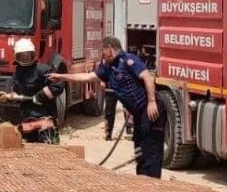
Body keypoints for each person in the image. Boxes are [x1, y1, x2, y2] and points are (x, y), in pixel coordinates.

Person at [52, 36, 164, 177]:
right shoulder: (107, 67)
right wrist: (62, 77)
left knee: (151, 148)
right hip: (138, 113)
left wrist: (152, 101)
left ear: (110, 49)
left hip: (150, 108)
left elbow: (147, 76)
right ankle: (142, 180)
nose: (101, 54)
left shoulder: (128, 60)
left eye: (102, 50)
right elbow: (86, 77)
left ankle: (152, 181)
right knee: (139, 147)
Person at [0, 38, 64, 144]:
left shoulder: (43, 70)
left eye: (27, 56)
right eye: (22, 56)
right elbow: (16, 92)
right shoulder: (18, 72)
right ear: (16, 56)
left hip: (44, 122)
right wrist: (8, 96)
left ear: (33, 55)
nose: (25, 59)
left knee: (48, 153)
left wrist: (40, 96)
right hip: (27, 122)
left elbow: (58, 85)